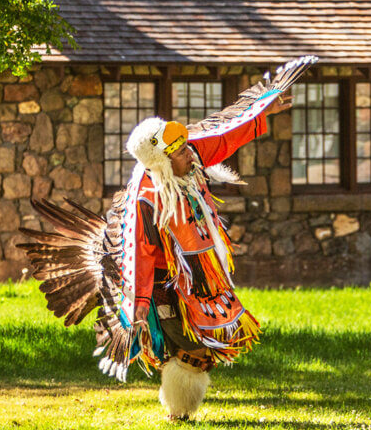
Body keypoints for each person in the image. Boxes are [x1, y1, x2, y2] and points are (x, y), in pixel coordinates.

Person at [18, 56, 315, 421]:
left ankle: (180, 405)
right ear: (160, 162)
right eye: (181, 153)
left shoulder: (183, 153)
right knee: (194, 351)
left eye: (187, 148)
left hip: (196, 273)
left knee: (208, 343)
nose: (191, 155)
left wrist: (263, 107)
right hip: (163, 281)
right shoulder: (147, 196)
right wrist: (139, 302)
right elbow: (138, 253)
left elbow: (225, 134)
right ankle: (179, 411)